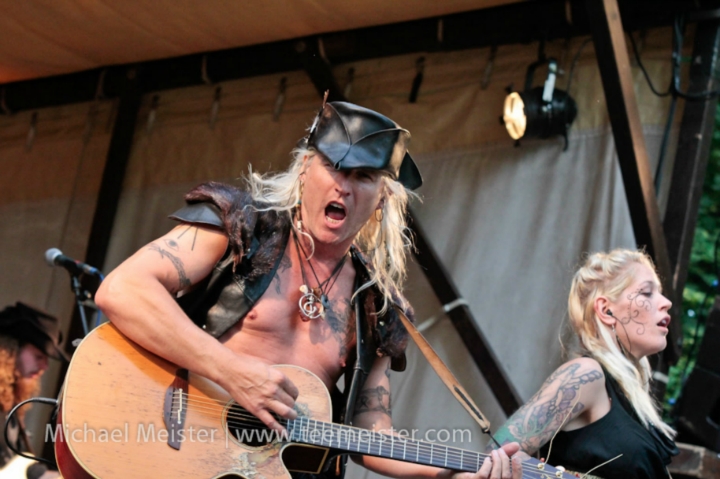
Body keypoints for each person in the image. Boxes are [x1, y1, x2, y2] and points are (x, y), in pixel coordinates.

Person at [95, 99, 521, 479]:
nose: (343, 185)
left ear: (382, 199)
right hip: (171, 444)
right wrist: (232, 372)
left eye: (363, 176)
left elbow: (372, 432)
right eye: (333, 166)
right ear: (304, 168)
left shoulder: (375, 305)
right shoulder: (241, 228)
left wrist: (455, 472)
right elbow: (122, 289)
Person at [489, 249, 678, 479]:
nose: (666, 302)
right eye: (647, 292)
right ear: (607, 310)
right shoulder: (585, 375)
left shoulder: (631, 399)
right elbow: (494, 457)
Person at [0, 302, 67, 479]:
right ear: (11, 349)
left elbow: (16, 466)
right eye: (38, 357)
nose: (44, 366)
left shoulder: (10, 403)